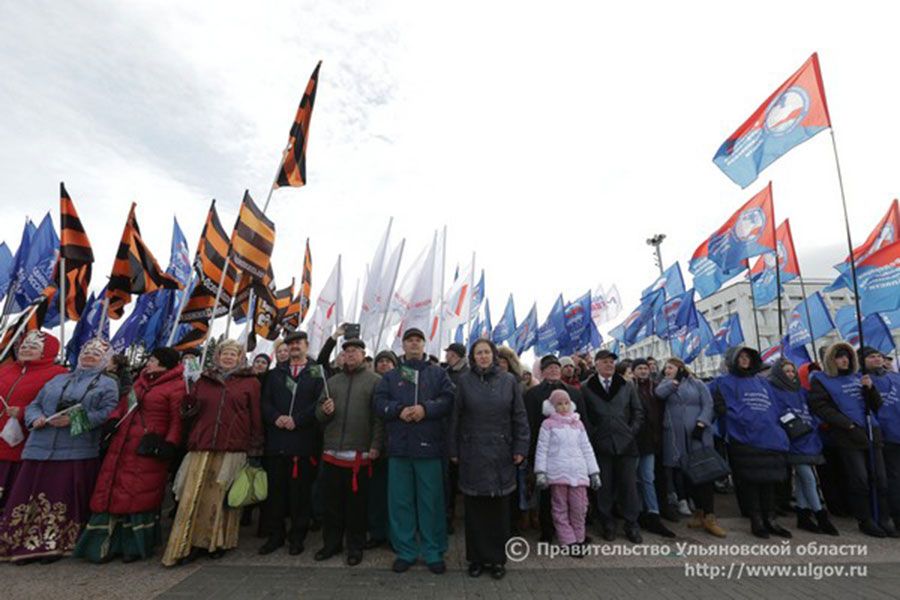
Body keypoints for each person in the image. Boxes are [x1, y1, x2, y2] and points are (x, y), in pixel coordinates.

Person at [0, 338, 119, 563]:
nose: (88, 356)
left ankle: (54, 544)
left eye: (95, 354)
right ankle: (19, 542)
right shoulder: (58, 379)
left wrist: (74, 420)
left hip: (74, 450)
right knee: (28, 497)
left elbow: (107, 413)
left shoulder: (107, 384)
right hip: (40, 447)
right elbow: (35, 403)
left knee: (59, 500)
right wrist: (35, 418)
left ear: (104, 359)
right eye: (86, 351)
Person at [75, 347, 186, 562]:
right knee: (113, 488)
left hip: (149, 445)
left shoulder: (177, 386)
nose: (149, 363)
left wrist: (170, 443)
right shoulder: (140, 382)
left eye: (153, 359)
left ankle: (133, 546)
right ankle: (104, 545)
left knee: (137, 492)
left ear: (164, 363)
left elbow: (177, 419)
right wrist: (113, 421)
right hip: (124, 443)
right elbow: (125, 405)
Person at [162, 340, 263, 566]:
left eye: (233, 354)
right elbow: (190, 413)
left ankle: (216, 541)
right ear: (217, 356)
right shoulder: (203, 380)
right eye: (225, 353)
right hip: (203, 443)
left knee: (220, 498)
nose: (228, 357)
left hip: (232, 445)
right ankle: (188, 541)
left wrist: (256, 446)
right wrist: (188, 405)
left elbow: (255, 415)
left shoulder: (250, 383)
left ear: (240, 358)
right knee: (193, 495)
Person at [374, 327, 455, 575]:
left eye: (418, 340)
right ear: (403, 345)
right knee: (400, 502)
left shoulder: (437, 373)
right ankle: (406, 551)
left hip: (429, 448)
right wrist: (398, 409)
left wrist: (425, 409)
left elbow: (448, 398)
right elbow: (379, 402)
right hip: (399, 448)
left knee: (431, 502)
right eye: (409, 340)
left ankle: (433, 551)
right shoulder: (391, 376)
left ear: (423, 344)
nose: (413, 344)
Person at [449, 339, 529, 580]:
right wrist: (453, 449)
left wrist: (521, 447)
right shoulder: (464, 381)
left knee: (498, 511)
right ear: (472, 358)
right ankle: (475, 559)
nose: (482, 356)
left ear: (494, 356)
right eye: (478, 353)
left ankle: (497, 560)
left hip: (501, 453)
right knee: (475, 511)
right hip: (472, 451)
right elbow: (456, 418)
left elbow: (520, 417)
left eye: (486, 352)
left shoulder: (509, 381)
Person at [809, 343, 894, 538]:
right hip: (848, 435)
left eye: (847, 356)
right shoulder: (822, 380)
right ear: (832, 359)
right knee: (860, 479)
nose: (844, 360)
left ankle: (883, 517)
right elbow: (822, 407)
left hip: (871, 432)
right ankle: (865, 519)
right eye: (839, 356)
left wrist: (870, 389)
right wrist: (847, 425)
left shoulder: (859, 377)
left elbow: (876, 405)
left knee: (880, 478)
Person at [314, 338, 383, 566]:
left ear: (363, 355)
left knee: (356, 507)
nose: (350, 355)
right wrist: (325, 411)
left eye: (354, 351)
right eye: (346, 352)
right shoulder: (332, 382)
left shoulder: (375, 382)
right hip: (332, 452)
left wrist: (375, 445)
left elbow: (379, 419)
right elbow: (319, 414)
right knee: (331, 505)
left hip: (359, 455)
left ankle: (355, 547)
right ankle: (331, 544)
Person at [712, 347, 791, 539]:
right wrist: (729, 415)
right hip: (743, 438)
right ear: (733, 360)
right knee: (751, 482)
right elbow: (715, 404)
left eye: (748, 357)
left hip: (768, 438)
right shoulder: (722, 382)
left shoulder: (763, 383)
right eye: (741, 357)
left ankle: (771, 519)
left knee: (769, 482)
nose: (745, 360)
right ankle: (756, 521)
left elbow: (774, 407)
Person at [257, 330, 323, 556]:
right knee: (276, 495)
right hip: (277, 442)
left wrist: (298, 420)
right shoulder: (275, 374)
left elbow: (319, 404)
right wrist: (276, 417)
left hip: (302, 443)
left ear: (306, 345)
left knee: (299, 496)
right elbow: (265, 402)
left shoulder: (317, 372)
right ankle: (276, 535)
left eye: (298, 343)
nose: (294, 347)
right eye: (291, 343)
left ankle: (297, 537)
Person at [767, 358, 838, 536]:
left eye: (792, 371)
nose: (790, 374)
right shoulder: (774, 391)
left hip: (808, 438)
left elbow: (813, 410)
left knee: (801, 480)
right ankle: (820, 515)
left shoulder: (802, 391)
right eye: (786, 371)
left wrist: (814, 424)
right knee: (808, 478)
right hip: (793, 440)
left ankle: (803, 514)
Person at [656, 358, 725, 538]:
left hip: (698, 434)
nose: (667, 370)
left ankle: (710, 516)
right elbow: (660, 394)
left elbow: (708, 404)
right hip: (676, 436)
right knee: (687, 474)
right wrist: (674, 382)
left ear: (679, 367)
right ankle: (698, 513)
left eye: (670, 367)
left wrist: (702, 423)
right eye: (666, 368)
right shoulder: (666, 384)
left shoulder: (697, 383)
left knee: (703, 473)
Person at [0, 332, 67, 511]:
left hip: (23, 443)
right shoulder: (5, 369)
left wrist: (23, 412)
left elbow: (54, 407)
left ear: (46, 352)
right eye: (24, 346)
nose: (27, 349)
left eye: (33, 347)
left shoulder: (59, 375)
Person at [582, 349, 644, 543]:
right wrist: (595, 435)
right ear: (597, 365)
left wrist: (630, 431)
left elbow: (638, 412)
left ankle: (631, 524)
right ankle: (607, 523)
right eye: (605, 361)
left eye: (611, 361)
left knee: (629, 487)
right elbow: (585, 416)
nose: (609, 364)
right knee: (604, 487)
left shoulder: (626, 385)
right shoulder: (586, 387)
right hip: (601, 446)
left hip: (626, 445)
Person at [523, 355, 587, 542]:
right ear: (542, 372)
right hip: (544, 453)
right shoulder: (532, 394)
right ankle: (547, 531)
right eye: (549, 368)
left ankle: (575, 534)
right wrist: (531, 454)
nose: (553, 370)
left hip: (572, 455)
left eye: (556, 367)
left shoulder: (574, 394)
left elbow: (584, 423)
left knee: (575, 498)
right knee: (546, 494)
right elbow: (528, 425)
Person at [534, 389, 600, 555]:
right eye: (559, 404)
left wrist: (594, 472)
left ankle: (579, 537)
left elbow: (587, 448)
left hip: (578, 473)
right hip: (558, 473)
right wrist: (541, 472)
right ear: (552, 407)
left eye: (566, 403)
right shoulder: (548, 424)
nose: (563, 407)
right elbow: (542, 449)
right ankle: (568, 541)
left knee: (580, 507)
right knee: (560, 508)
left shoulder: (578, 424)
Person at [631, 358, 674, 538]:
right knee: (634, 479)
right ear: (633, 371)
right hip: (633, 441)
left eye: (645, 368)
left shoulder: (655, 387)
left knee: (648, 477)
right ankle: (637, 512)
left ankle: (653, 513)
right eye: (639, 368)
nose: (643, 371)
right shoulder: (629, 388)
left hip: (651, 440)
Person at [865, 348, 900, 528]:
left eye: (879, 355)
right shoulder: (862, 380)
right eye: (871, 356)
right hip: (881, 436)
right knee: (889, 479)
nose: (877, 359)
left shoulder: (894, 377)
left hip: (897, 431)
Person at [366, 349, 397, 550]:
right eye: (381, 361)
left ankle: (395, 536)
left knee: (396, 497)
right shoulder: (372, 385)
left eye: (388, 361)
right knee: (376, 495)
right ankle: (377, 533)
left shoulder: (399, 385)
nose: (384, 364)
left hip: (396, 448)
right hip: (375, 448)